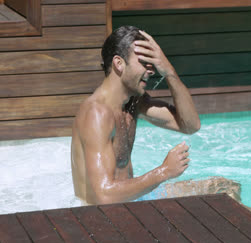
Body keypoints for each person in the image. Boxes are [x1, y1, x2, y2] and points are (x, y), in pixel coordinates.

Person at [71, 25, 239, 205]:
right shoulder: (97, 114)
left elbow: (190, 125)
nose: (151, 70)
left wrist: (168, 71)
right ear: (119, 63)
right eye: (144, 62)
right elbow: (102, 196)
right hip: (100, 217)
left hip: (129, 201)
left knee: (224, 187)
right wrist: (164, 171)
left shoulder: (133, 103)